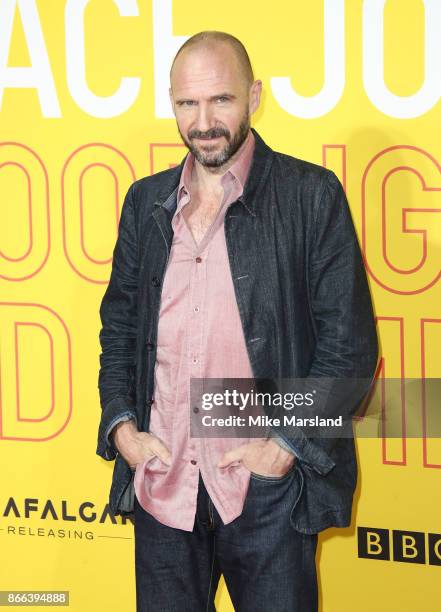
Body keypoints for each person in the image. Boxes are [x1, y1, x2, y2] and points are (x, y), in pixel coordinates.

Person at [96, 31, 378, 612]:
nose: (203, 122)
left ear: (253, 96)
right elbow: (119, 330)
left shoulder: (310, 196)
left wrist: (283, 445)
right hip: (163, 484)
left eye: (220, 100)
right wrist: (123, 427)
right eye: (187, 104)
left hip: (264, 495)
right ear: (171, 103)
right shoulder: (145, 204)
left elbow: (348, 349)